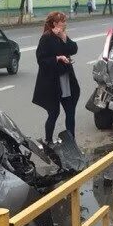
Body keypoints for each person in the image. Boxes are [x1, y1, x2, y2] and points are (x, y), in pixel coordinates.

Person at [33, 11, 79, 144]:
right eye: (62, 21)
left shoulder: (62, 36)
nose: (65, 23)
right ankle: (48, 140)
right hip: (52, 82)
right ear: (55, 23)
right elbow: (41, 59)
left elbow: (74, 49)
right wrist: (57, 58)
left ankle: (71, 140)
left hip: (66, 79)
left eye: (65, 21)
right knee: (54, 112)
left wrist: (63, 36)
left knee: (70, 111)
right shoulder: (46, 37)